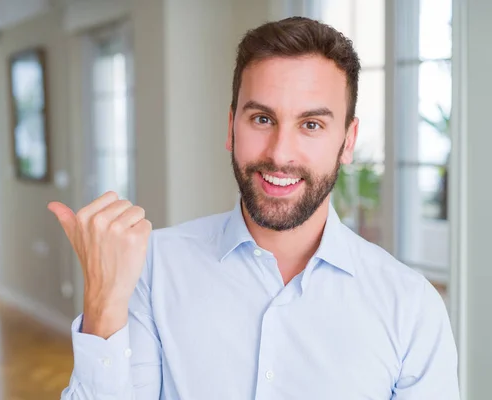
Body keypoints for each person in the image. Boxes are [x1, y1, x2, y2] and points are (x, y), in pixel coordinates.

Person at [49, 16, 460, 400]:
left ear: (348, 141)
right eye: (262, 119)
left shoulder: (410, 307)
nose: (280, 154)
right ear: (231, 127)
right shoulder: (151, 267)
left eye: (311, 125)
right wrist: (102, 300)